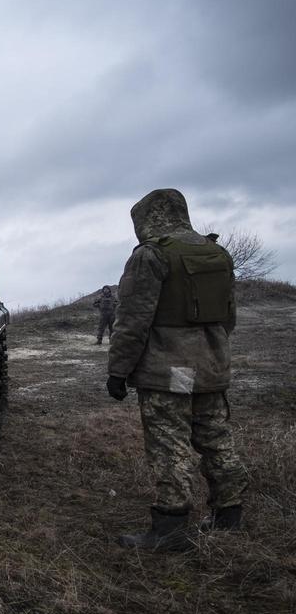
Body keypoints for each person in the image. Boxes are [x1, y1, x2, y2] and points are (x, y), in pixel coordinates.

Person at [107, 188, 248, 552]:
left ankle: (170, 530)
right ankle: (229, 515)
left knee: (169, 446)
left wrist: (118, 371)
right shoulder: (217, 253)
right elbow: (228, 317)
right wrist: (210, 352)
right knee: (217, 440)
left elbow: (133, 321)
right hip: (212, 368)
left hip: (168, 372)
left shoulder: (151, 256)